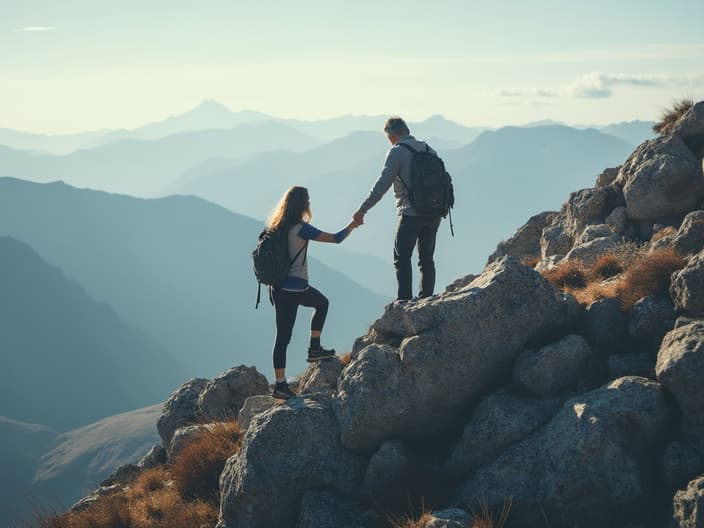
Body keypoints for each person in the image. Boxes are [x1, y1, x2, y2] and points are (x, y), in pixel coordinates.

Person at [267, 186, 359, 400]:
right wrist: (353, 225)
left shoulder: (276, 227)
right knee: (321, 304)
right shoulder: (301, 228)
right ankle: (313, 349)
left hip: (278, 289)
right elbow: (336, 238)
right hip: (296, 288)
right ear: (303, 204)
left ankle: (281, 383)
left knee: (282, 336)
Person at [354, 116, 442, 301]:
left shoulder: (397, 152)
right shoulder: (429, 150)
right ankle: (426, 299)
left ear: (392, 135)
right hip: (434, 213)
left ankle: (404, 302)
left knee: (401, 258)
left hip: (410, 213)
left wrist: (363, 209)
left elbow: (381, 185)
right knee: (426, 259)